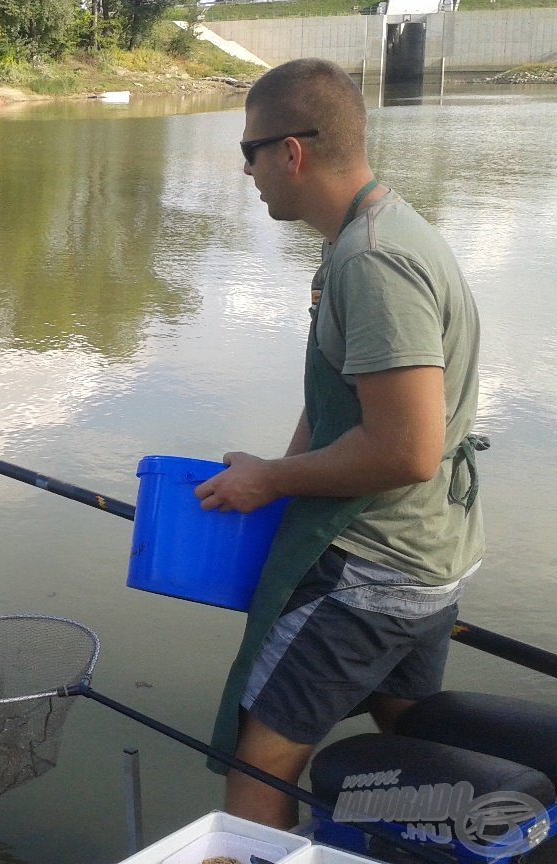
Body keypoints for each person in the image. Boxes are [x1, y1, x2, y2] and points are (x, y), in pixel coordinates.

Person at [196, 58, 485, 829]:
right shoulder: (371, 232)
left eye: (248, 152)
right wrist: (273, 475)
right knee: (410, 732)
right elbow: (338, 406)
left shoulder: (374, 259)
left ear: (290, 151)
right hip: (426, 556)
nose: (247, 172)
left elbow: (407, 449)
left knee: (262, 760)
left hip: (374, 572)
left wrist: (276, 481)